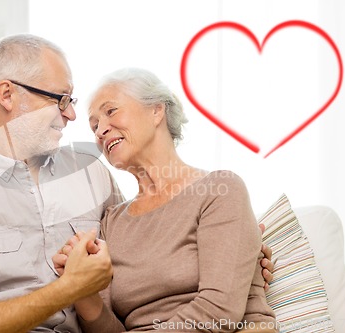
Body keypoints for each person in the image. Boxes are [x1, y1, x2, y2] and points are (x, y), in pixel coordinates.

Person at [0, 34, 273, 333]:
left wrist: (240, 248)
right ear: (8, 94)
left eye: (76, 102)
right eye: (60, 99)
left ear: (158, 110)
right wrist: (68, 291)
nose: (73, 116)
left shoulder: (90, 172)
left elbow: (154, 243)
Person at [53, 68, 279, 332]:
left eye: (111, 111)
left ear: (156, 110)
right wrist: (81, 291)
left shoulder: (220, 189)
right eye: (94, 126)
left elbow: (219, 310)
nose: (101, 130)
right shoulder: (112, 223)